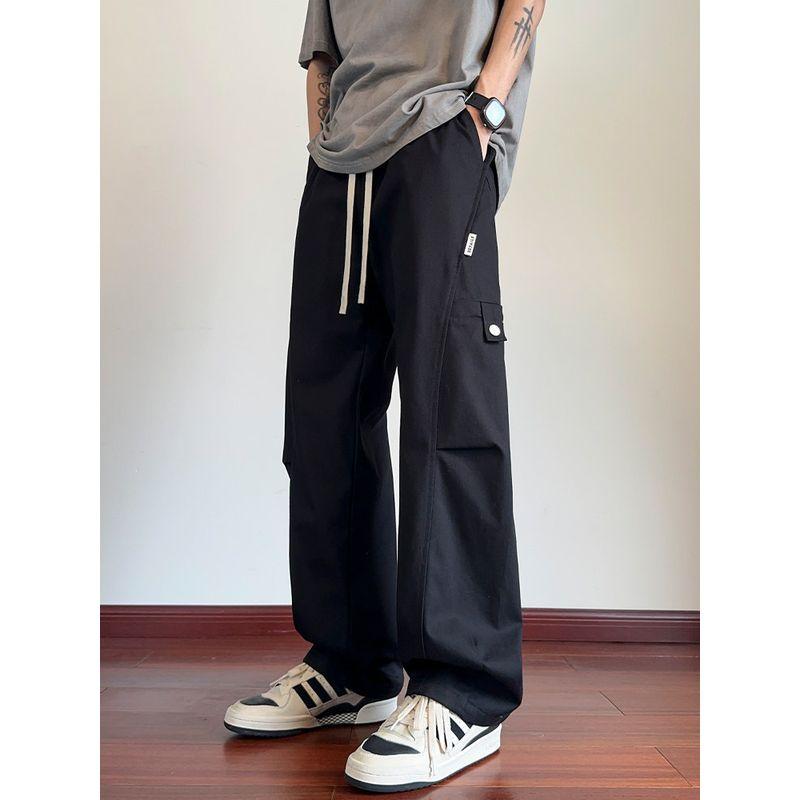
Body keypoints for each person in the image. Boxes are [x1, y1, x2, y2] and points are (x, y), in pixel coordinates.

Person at [225, 0, 546, 791]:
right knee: (324, 418)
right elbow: (323, 45)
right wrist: (324, 141)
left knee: (450, 415)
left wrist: (485, 110)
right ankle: (351, 664)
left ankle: (465, 692)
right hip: (342, 165)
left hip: (443, 134)